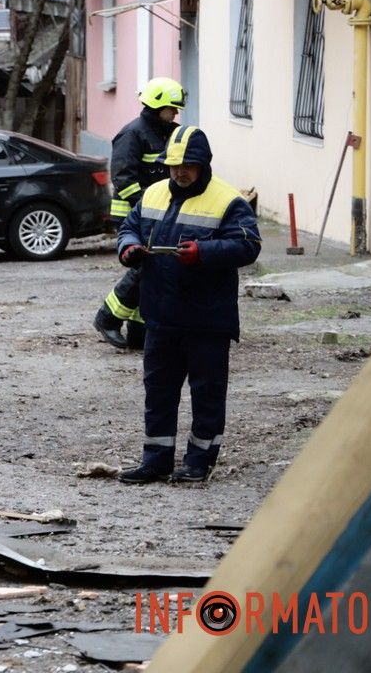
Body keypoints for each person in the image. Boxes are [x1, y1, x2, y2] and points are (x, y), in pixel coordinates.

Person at [114, 125, 261, 485]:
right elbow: (128, 227)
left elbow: (248, 245)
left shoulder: (228, 201)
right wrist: (128, 248)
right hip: (161, 317)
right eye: (173, 165)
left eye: (187, 165)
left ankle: (199, 462)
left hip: (207, 319)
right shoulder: (153, 194)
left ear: (203, 164)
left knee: (206, 394)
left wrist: (203, 252)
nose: (179, 172)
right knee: (159, 392)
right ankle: (156, 460)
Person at [93, 77, 186, 350]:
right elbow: (123, 178)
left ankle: (139, 329)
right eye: (172, 108)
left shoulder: (167, 132)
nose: (175, 113)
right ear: (156, 106)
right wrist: (147, 207)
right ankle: (108, 317)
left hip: (156, 214)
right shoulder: (132, 134)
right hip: (133, 215)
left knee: (151, 270)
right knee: (145, 267)